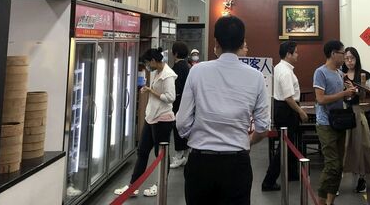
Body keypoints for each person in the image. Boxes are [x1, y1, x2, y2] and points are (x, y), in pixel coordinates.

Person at [176, 16, 270, 205]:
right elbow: (263, 127)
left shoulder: (197, 71)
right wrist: (248, 141)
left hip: (201, 162)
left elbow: (182, 122)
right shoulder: (256, 77)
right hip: (237, 164)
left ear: (216, 43)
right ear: (242, 43)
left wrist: (197, 137)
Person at [114, 47, 177, 198]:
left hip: (163, 120)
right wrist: (149, 90)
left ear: (154, 61)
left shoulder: (168, 75)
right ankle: (133, 186)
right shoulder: (156, 72)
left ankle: (159, 185)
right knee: (142, 151)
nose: (147, 66)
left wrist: (151, 91)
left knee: (160, 154)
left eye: (148, 63)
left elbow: (170, 97)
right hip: (151, 118)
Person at [314, 40, 358, 205]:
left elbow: (344, 96)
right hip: (325, 123)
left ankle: (330, 201)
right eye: (342, 53)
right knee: (332, 164)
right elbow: (320, 99)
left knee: (339, 166)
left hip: (339, 122)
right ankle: (321, 200)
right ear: (333, 54)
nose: (345, 57)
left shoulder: (340, 73)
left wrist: (350, 92)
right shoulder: (320, 72)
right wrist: (343, 94)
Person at [261, 40, 309, 192]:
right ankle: (268, 181)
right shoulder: (286, 72)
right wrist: (301, 111)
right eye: (296, 52)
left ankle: (292, 174)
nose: (297, 55)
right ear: (288, 54)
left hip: (282, 108)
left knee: (289, 144)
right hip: (286, 109)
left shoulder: (279, 67)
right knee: (285, 146)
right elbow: (289, 98)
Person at [341, 47, 370, 193]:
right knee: (344, 147)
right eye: (346, 58)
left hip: (357, 111)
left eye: (352, 58)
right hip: (343, 111)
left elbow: (365, 94)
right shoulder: (340, 74)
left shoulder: (364, 74)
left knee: (365, 145)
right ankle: (336, 182)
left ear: (356, 59)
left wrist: (354, 89)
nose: (349, 61)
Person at [170, 41, 191, 169]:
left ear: (175, 53)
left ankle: (179, 156)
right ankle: (185, 155)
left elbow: (176, 89)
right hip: (186, 103)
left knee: (177, 129)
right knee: (183, 129)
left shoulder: (177, 68)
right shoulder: (186, 66)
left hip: (177, 104)